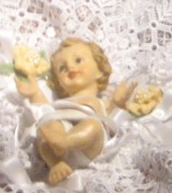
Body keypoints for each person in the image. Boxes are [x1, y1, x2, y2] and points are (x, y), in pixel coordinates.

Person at [15, 37, 134, 185]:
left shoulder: (100, 102)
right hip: (60, 147)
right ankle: (56, 164)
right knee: (46, 128)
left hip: (87, 147)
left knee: (93, 125)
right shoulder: (61, 104)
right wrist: (34, 93)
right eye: (62, 68)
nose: (70, 67)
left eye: (78, 60)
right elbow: (44, 110)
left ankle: (64, 142)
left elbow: (111, 116)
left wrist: (118, 102)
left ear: (99, 70)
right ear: (60, 83)